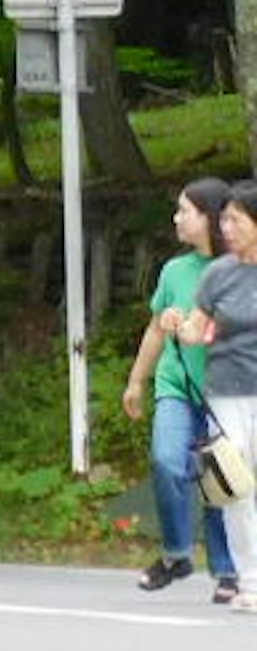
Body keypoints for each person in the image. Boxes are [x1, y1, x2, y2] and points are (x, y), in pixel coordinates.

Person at [122, 179, 232, 593]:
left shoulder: (239, 270)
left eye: (185, 210)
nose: (177, 218)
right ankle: (177, 552)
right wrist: (136, 381)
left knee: (219, 478)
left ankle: (226, 569)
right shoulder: (173, 270)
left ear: (210, 218)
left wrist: (197, 330)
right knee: (167, 461)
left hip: (225, 391)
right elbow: (154, 331)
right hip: (177, 384)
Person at [200, 192, 257, 605]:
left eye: (236, 221)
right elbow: (196, 325)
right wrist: (180, 325)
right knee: (235, 481)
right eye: (224, 221)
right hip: (226, 389)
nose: (226, 229)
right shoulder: (217, 274)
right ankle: (250, 579)